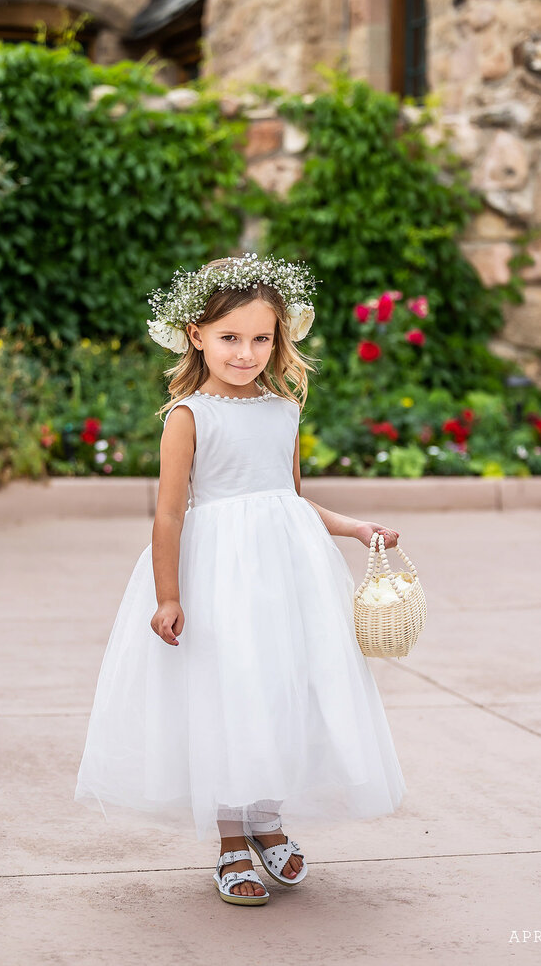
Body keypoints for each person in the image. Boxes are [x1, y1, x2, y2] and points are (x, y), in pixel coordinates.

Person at [74, 252, 407, 906]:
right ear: (197, 335)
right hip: (217, 576)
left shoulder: (283, 411)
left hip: (284, 576)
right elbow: (169, 512)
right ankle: (230, 838)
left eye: (261, 338)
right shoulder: (187, 416)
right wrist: (170, 594)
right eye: (230, 337)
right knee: (228, 695)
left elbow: (288, 499)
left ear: (278, 337)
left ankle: (266, 817)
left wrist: (354, 526)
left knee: (280, 688)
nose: (246, 352)